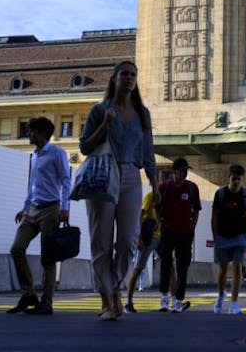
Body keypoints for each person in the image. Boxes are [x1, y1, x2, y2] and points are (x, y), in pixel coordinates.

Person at [80, 61, 160, 321]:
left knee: (127, 240)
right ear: (114, 79)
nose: (129, 78)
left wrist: (154, 183)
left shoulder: (142, 113)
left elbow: (148, 151)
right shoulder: (99, 110)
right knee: (101, 243)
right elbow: (84, 147)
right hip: (104, 175)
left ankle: (114, 287)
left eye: (133, 74)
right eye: (124, 74)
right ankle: (107, 300)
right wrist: (105, 125)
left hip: (131, 176)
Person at [8, 117, 71, 316]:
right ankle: (28, 294)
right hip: (32, 209)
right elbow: (33, 184)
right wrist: (25, 208)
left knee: (48, 257)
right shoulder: (34, 155)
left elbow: (66, 181)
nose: (29, 134)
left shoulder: (57, 153)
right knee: (17, 248)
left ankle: (46, 303)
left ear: (42, 133)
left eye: (32, 131)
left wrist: (65, 208)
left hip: (51, 209)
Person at [158, 158, 201, 313]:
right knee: (166, 263)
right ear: (175, 171)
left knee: (183, 266)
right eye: (182, 170)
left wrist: (192, 228)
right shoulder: (164, 187)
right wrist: (161, 225)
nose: (185, 173)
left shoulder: (192, 188)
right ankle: (164, 297)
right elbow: (157, 207)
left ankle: (177, 300)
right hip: (168, 231)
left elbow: (196, 210)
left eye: (186, 171)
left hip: (185, 232)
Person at [126, 167, 171, 313]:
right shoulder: (151, 195)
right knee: (139, 267)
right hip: (149, 237)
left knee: (171, 267)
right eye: (169, 180)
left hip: (162, 237)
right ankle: (129, 301)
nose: (171, 183)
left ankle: (170, 299)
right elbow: (140, 216)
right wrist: (139, 238)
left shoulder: (169, 197)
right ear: (162, 180)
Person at [211, 164, 246, 315]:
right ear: (228, 178)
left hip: (239, 237)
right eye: (234, 179)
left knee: (237, 267)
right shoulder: (220, 194)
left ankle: (234, 303)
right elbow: (214, 216)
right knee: (223, 270)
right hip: (222, 236)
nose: (236, 182)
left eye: (239, 179)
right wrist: (215, 236)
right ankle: (220, 295)